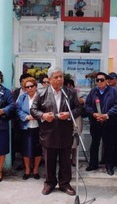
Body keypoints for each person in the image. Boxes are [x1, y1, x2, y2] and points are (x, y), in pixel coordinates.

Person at [30, 67, 81, 196]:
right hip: (48, 133)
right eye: (56, 77)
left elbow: (79, 108)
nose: (59, 79)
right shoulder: (41, 93)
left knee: (65, 161)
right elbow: (33, 110)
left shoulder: (70, 92)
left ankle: (65, 184)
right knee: (49, 161)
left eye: (61, 76)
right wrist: (43, 116)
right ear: (50, 79)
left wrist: (69, 114)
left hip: (65, 133)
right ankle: (49, 183)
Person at [85, 72, 117, 175]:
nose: (99, 82)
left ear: (106, 81)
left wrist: (106, 115)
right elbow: (87, 105)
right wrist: (93, 113)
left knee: (108, 144)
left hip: (108, 122)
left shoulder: (113, 92)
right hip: (96, 122)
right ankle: (93, 164)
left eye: (102, 80)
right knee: (94, 144)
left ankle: (109, 166)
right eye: (98, 80)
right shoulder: (93, 91)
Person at [17, 77, 42, 180]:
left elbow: (45, 109)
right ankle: (27, 169)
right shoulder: (22, 97)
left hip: (39, 127)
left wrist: (37, 115)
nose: (30, 88)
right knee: (26, 150)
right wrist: (26, 117)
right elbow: (18, 110)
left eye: (32, 86)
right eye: (27, 87)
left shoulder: (41, 97)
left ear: (36, 86)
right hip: (26, 127)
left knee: (38, 150)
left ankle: (35, 169)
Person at [12, 73, 33, 169]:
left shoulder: (34, 94)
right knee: (20, 144)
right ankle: (23, 163)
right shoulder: (16, 93)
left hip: (31, 123)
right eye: (23, 82)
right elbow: (14, 107)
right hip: (17, 122)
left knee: (31, 144)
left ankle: (30, 165)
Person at [64, 78, 84, 167]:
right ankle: (66, 159)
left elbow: (82, 101)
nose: (69, 87)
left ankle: (74, 159)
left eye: (70, 86)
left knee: (76, 139)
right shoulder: (62, 93)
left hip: (76, 118)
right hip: (65, 118)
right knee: (66, 140)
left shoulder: (76, 92)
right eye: (67, 86)